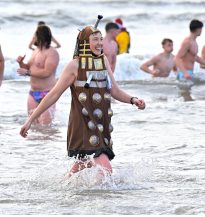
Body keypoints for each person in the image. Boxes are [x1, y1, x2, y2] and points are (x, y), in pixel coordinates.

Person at [19, 16, 146, 179]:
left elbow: (115, 91)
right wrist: (30, 120)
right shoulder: (74, 65)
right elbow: (53, 95)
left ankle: (66, 193)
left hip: (100, 123)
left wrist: (133, 100)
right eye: (95, 40)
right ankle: (99, 202)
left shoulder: (104, 61)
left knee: (82, 163)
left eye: (101, 39)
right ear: (85, 43)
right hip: (82, 123)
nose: (100, 43)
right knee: (105, 170)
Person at [16, 25, 60, 125]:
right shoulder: (35, 51)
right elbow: (29, 68)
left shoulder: (52, 52)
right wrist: (21, 63)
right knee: (33, 126)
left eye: (34, 35)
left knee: (45, 126)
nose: (33, 37)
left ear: (40, 36)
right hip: (33, 93)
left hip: (47, 93)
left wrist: (27, 73)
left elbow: (47, 72)